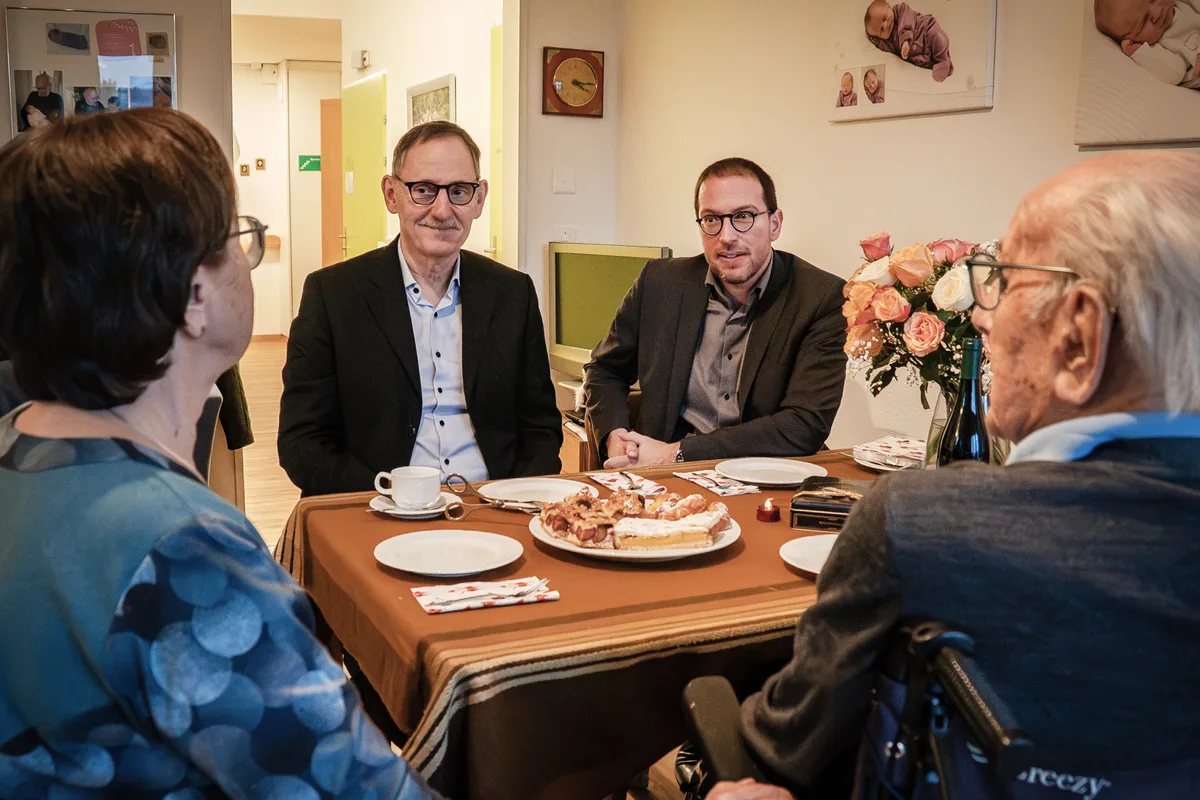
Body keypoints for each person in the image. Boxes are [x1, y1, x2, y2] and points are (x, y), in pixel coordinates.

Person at [723, 151, 1200, 797]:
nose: (979, 315)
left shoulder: (920, 521)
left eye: (1002, 281)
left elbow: (786, 746)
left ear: (1081, 338)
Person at [0, 108, 439, 799]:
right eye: (238, 236)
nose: (248, 257)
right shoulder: (187, 551)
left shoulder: (17, 443)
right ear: (194, 297)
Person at [279, 121, 561, 496]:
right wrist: (388, 495)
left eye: (459, 191)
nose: (443, 210)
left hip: (493, 505)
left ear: (479, 199)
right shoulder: (333, 295)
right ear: (392, 194)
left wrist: (514, 498)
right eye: (423, 190)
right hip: (377, 506)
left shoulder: (513, 293)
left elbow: (541, 428)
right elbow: (303, 442)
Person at [585, 157, 847, 468]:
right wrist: (616, 436)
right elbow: (605, 370)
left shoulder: (821, 298)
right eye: (711, 219)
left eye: (744, 216)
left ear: (774, 224)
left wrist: (677, 453)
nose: (726, 236)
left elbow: (805, 424)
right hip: (661, 481)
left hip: (762, 477)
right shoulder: (660, 282)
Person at [1095, 0, 1200, 89]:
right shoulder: (1161, 47)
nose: (1156, 13)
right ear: (1132, 40)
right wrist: (1141, 53)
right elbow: (1174, 74)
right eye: (1143, 22)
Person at [864, 0, 954, 82]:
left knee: (938, 37)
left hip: (925, 32)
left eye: (884, 18)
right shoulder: (889, 41)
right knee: (926, 63)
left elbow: (907, 20)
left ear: (888, 6)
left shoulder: (900, 10)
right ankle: (944, 67)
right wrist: (875, 40)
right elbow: (883, 46)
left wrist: (905, 40)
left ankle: (943, 59)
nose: (886, 25)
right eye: (881, 29)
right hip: (921, 55)